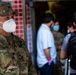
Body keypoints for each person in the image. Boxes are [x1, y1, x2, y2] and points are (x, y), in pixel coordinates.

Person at [0, 2, 37, 75]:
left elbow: (30, 68)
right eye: (7, 18)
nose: (11, 20)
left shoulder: (20, 42)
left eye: (12, 17)